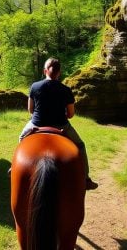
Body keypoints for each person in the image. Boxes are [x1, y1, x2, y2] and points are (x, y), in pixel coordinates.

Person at [19, 57, 98, 190]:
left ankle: (13, 167)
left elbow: (30, 110)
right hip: (61, 126)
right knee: (80, 145)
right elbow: (71, 114)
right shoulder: (66, 89)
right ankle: (86, 179)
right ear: (59, 73)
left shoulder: (35, 86)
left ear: (45, 71)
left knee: (21, 138)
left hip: (36, 125)